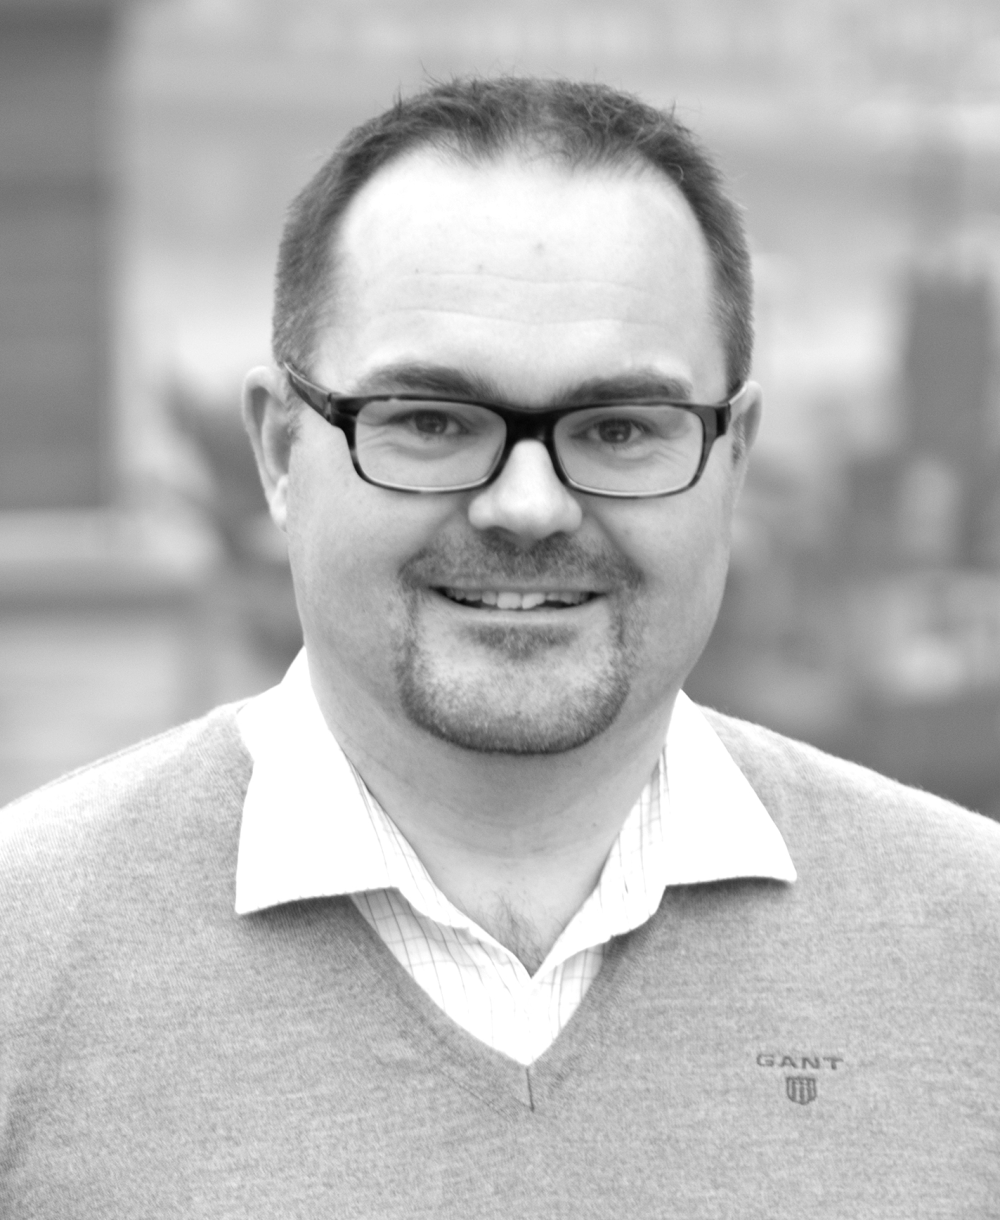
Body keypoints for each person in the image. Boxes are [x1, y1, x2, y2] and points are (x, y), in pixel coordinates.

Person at [2, 77, 999, 1218]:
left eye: (618, 427)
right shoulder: (21, 965)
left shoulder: (976, 951)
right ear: (280, 452)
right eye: (432, 421)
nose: (528, 506)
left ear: (734, 459)